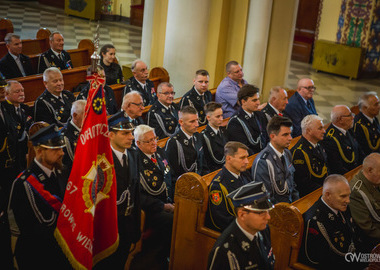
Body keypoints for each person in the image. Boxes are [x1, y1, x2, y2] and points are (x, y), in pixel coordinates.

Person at [7, 124, 71, 269]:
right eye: (55, 149)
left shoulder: (63, 173)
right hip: (38, 257)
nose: (61, 153)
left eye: (61, 148)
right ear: (39, 151)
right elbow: (26, 230)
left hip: (62, 253)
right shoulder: (23, 184)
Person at [97, 112, 141, 269]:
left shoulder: (134, 155)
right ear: (111, 135)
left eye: (131, 133)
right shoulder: (101, 161)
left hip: (127, 225)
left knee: (120, 263)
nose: (131, 137)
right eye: (125, 133)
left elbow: (135, 192)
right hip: (108, 228)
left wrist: (136, 228)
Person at [208, 181, 275, 270]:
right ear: (242, 215)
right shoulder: (225, 250)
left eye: (267, 211)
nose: (268, 217)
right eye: (261, 213)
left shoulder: (263, 230)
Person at [299, 174, 360, 269]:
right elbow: (316, 261)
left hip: (351, 260)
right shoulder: (315, 221)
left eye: (348, 195)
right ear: (328, 195)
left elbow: (352, 238)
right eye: (343, 196)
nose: (348, 200)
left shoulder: (341, 206)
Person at [134, 124, 173, 266]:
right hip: (151, 208)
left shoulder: (160, 153)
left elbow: (170, 176)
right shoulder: (135, 161)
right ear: (138, 144)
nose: (154, 143)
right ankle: (165, 256)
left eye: (155, 139)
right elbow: (139, 196)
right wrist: (163, 206)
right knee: (173, 220)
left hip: (167, 200)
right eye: (149, 141)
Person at [252, 116, 299, 204]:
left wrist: (297, 203)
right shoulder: (263, 162)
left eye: (290, 133)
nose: (290, 138)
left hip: (291, 205)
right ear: (273, 136)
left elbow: (292, 186)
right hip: (276, 211)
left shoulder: (287, 153)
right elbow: (265, 197)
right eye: (285, 135)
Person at [207, 141, 253, 232]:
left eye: (247, 157)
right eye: (242, 158)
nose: (247, 162)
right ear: (229, 159)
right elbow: (222, 220)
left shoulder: (245, 174)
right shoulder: (218, 185)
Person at [165, 106, 206, 196]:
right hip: (184, 189)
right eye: (192, 121)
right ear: (181, 122)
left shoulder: (198, 137)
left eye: (197, 120)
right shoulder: (174, 142)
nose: (197, 124)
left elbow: (202, 163)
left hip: (199, 183)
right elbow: (172, 174)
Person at [291, 115, 328, 197]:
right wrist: (326, 190)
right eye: (320, 128)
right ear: (308, 131)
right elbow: (303, 184)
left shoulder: (318, 144)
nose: (324, 131)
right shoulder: (299, 152)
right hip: (311, 195)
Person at [349, 153, 380, 253]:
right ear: (370, 170)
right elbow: (368, 228)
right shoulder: (357, 191)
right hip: (372, 241)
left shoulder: (374, 179)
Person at [226, 84, 269, 155]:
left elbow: (266, 137)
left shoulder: (260, 115)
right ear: (243, 102)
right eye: (254, 100)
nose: (258, 103)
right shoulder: (235, 122)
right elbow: (242, 148)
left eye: (258, 99)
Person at [320, 105, 363, 175]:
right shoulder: (329, 139)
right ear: (340, 120)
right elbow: (337, 167)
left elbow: (359, 151)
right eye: (349, 115)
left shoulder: (348, 130)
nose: (353, 117)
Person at [2, 81, 33, 170]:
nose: (21, 94)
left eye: (22, 91)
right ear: (7, 94)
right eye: (17, 91)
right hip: (12, 156)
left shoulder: (25, 108)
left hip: (25, 152)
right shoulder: (4, 112)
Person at [201, 102, 227, 172]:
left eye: (222, 115)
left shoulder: (223, 131)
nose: (221, 119)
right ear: (208, 117)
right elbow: (207, 161)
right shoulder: (204, 136)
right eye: (218, 116)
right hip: (215, 170)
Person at [61, 99, 86, 169]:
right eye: (86, 115)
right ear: (75, 115)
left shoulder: (90, 129)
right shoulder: (66, 136)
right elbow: (72, 164)